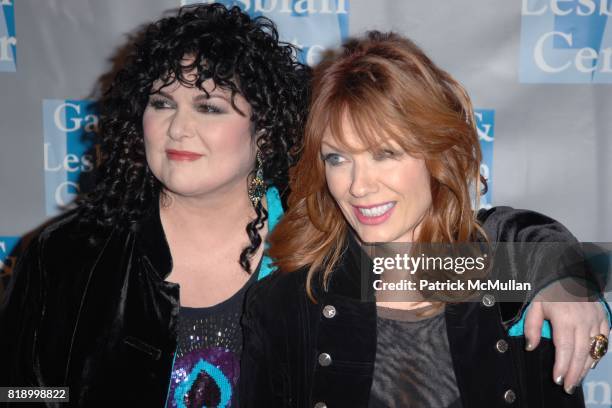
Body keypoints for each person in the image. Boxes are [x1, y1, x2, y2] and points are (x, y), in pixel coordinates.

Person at [239, 31, 611, 407]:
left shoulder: (513, 283)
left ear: (436, 155)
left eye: (385, 153)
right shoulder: (287, 305)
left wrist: (571, 280)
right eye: (338, 158)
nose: (358, 186)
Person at [0, 4, 308, 407]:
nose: (177, 129)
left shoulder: (316, 255)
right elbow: (19, 393)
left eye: (209, 107)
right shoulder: (66, 255)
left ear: (265, 132)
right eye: (162, 104)